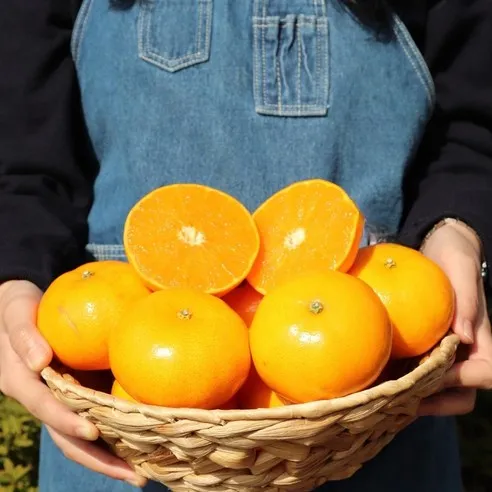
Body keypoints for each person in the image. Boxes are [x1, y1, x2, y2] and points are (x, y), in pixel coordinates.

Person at [1, 0, 492, 490]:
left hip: (376, 417)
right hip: (120, 435)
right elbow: (23, 156)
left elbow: (475, 124)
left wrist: (458, 230)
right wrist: (13, 277)